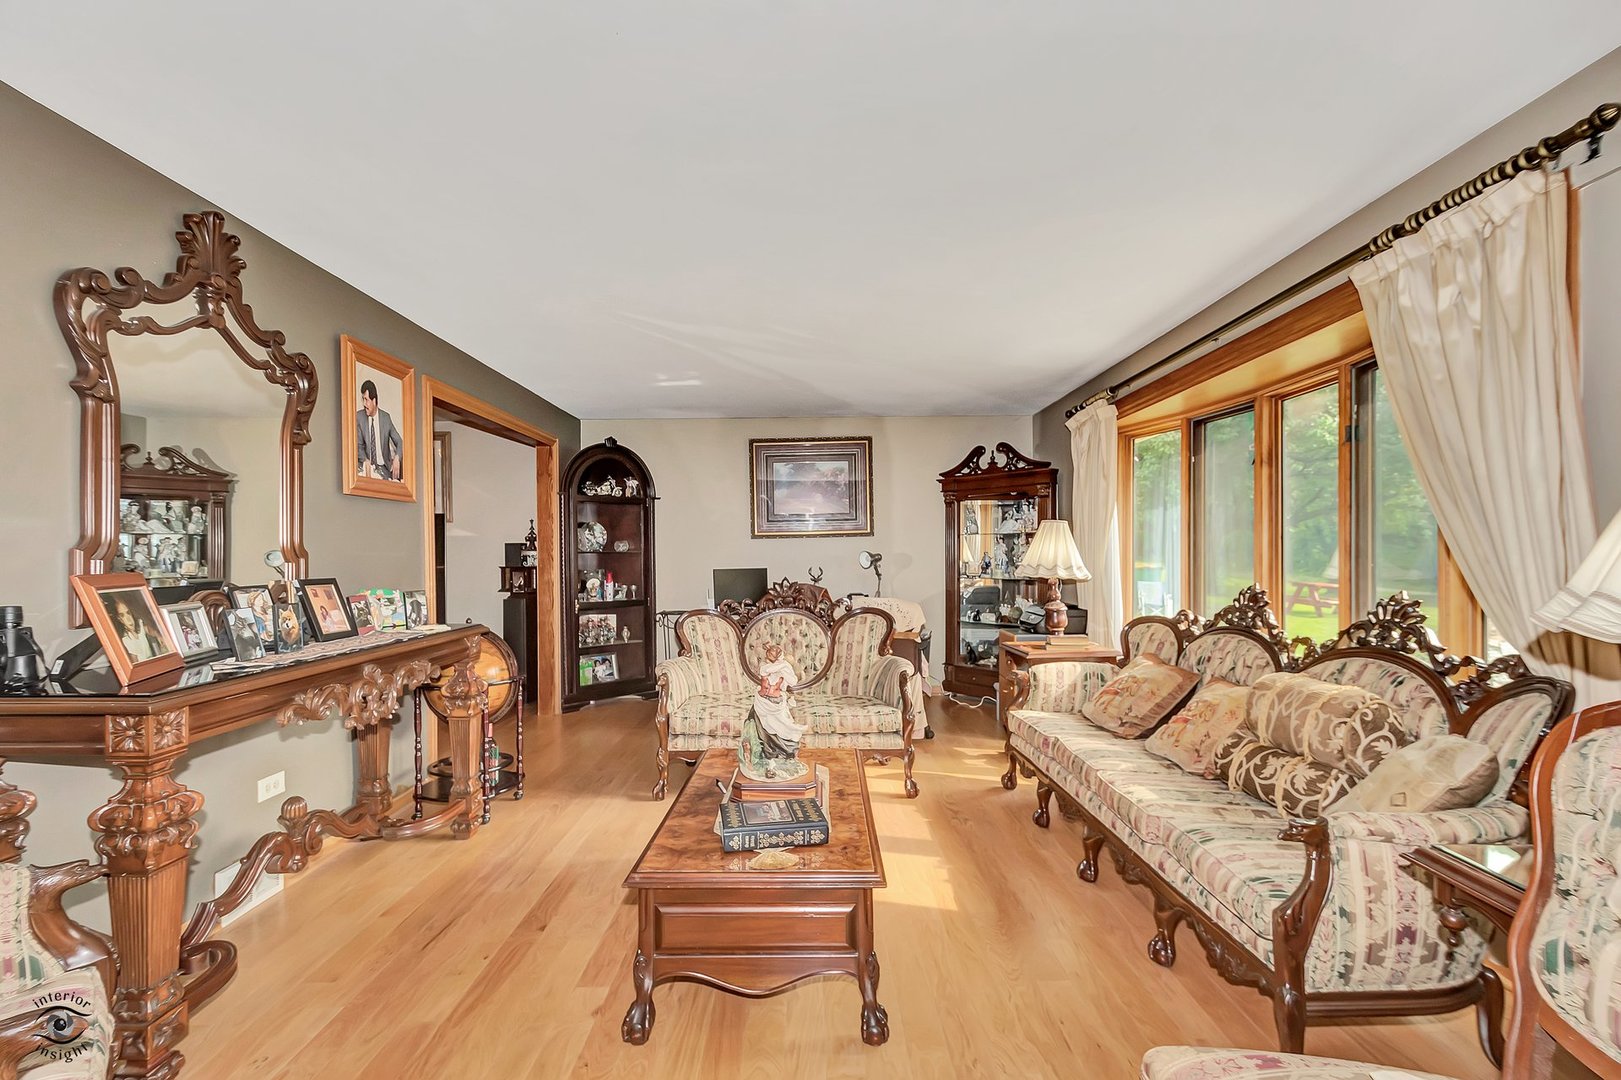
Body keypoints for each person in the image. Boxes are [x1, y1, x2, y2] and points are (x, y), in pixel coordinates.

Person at [355, 379, 403, 481]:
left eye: (366, 400)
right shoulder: (359, 417)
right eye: (363, 399)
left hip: (383, 469)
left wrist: (397, 458)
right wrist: (365, 460)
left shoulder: (386, 418)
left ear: (374, 401)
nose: (364, 403)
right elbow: (358, 445)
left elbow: (399, 441)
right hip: (365, 466)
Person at [111, 595, 166, 662]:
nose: (128, 619)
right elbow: (135, 661)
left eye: (128, 613)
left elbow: (149, 629)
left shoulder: (140, 624)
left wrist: (158, 635)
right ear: (120, 619)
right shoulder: (127, 640)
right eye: (122, 615)